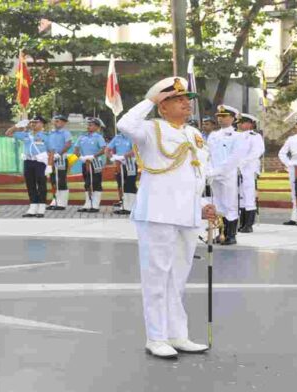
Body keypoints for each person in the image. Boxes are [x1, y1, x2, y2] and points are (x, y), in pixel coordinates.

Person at [116, 76, 213, 359]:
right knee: (156, 277)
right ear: (163, 106)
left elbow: (198, 174)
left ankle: (177, 334)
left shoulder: (194, 134)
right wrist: (150, 99)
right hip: (158, 213)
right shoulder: (150, 129)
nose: (186, 103)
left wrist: (204, 205)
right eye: (178, 99)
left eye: (187, 100)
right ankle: (156, 337)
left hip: (188, 213)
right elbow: (124, 125)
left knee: (178, 279)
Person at [208, 104, 246, 245]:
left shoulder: (238, 137)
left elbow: (234, 158)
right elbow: (208, 154)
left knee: (230, 204)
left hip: (227, 174)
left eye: (224, 116)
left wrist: (216, 170)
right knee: (218, 204)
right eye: (219, 116)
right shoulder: (213, 135)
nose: (221, 119)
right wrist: (209, 170)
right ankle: (221, 233)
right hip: (214, 174)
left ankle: (231, 235)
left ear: (232, 118)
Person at [5, 115, 52, 218]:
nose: (33, 124)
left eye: (36, 122)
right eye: (32, 122)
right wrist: (16, 126)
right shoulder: (26, 135)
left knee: (41, 184)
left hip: (40, 162)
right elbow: (8, 133)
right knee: (30, 184)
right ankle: (33, 207)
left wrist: (49, 165)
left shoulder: (46, 136)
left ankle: (42, 207)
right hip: (28, 161)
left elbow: (51, 151)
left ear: (42, 124)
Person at [236, 113, 265, 233]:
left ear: (249, 124)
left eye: (242, 122)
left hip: (249, 169)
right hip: (238, 169)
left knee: (249, 195)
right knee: (240, 195)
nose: (240, 125)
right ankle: (242, 223)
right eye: (239, 122)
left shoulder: (255, 136)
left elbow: (257, 152)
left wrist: (243, 161)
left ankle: (249, 224)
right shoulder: (236, 136)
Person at [74, 117, 107, 213]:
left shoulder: (98, 137)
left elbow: (103, 149)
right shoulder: (82, 137)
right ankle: (88, 203)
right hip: (85, 162)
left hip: (95, 162)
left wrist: (93, 156)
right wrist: (80, 157)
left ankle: (95, 204)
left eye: (91, 125)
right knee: (87, 182)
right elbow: (76, 149)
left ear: (97, 127)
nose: (88, 126)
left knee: (96, 182)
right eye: (88, 125)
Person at [44, 114, 73, 211]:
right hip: (51, 158)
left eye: (58, 121)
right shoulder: (50, 133)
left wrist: (59, 154)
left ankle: (62, 202)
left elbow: (68, 144)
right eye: (55, 121)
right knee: (53, 180)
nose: (55, 123)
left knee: (61, 180)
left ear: (63, 123)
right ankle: (55, 200)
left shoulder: (65, 133)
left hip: (60, 158)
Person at [106, 131, 138, 215]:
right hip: (119, 164)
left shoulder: (132, 137)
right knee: (121, 185)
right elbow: (107, 149)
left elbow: (135, 150)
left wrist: (124, 156)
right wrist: (111, 157)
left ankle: (131, 207)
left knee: (130, 185)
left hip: (130, 164)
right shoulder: (117, 137)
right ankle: (124, 206)